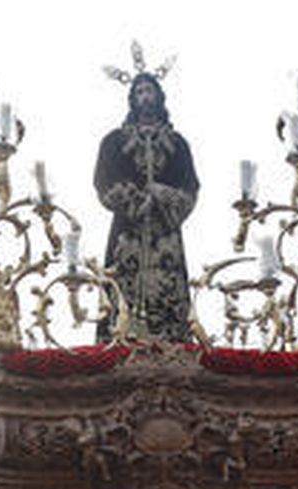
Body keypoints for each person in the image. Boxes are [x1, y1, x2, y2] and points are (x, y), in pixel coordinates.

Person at [94, 67, 199, 342]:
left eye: (149, 90)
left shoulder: (178, 145)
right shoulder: (114, 142)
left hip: (165, 233)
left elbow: (190, 185)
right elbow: (104, 179)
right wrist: (139, 200)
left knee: (169, 293)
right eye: (139, 91)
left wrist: (165, 195)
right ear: (132, 99)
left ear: (159, 96)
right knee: (120, 291)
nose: (144, 96)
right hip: (126, 231)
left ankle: (172, 345)